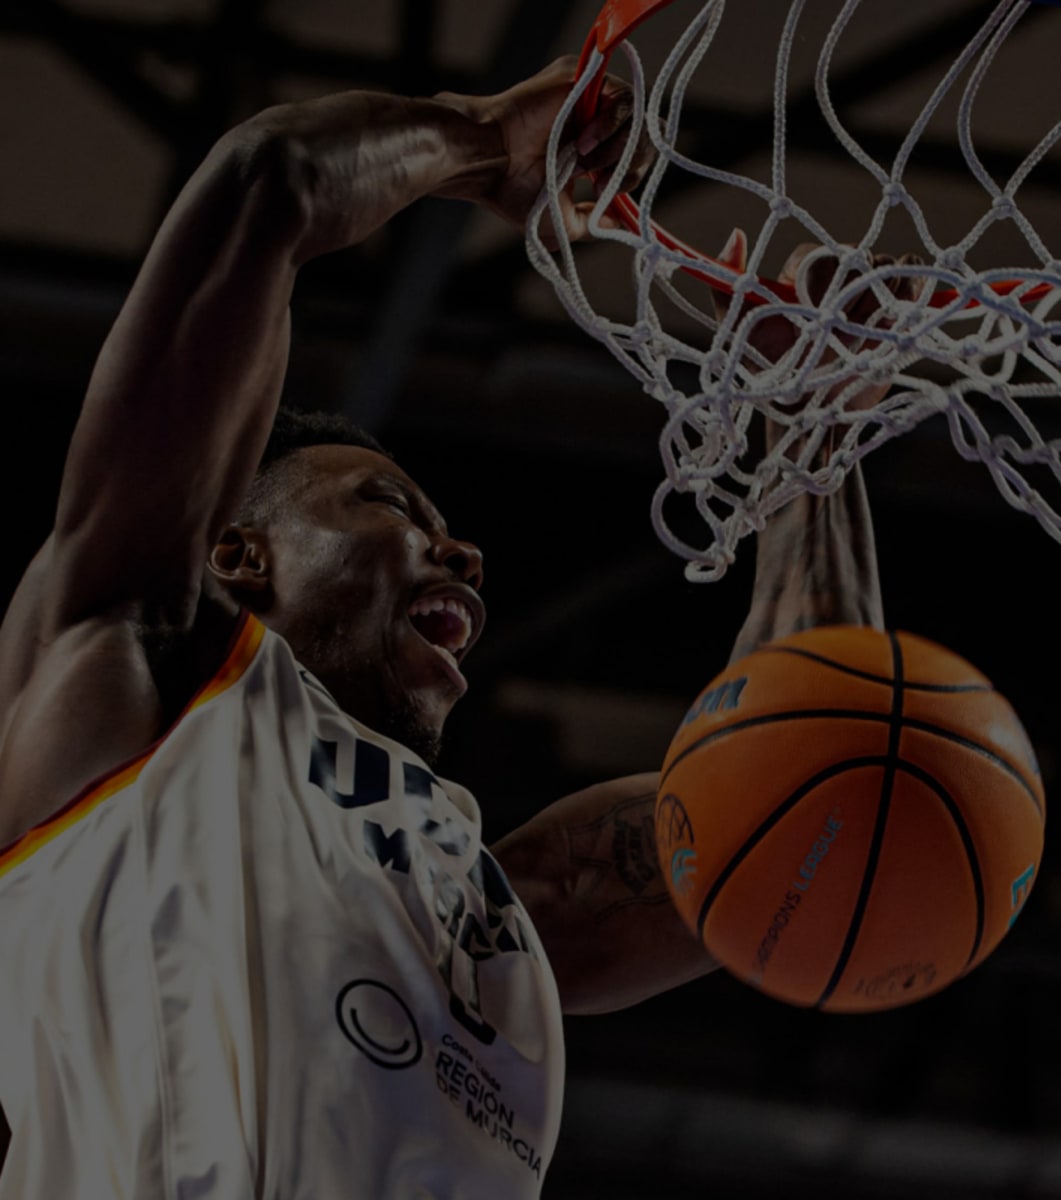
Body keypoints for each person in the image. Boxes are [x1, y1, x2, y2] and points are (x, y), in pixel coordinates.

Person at [0, 58, 891, 1200]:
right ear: (237, 553)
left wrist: (808, 434)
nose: (462, 550)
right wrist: (483, 139)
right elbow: (263, 187)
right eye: (389, 507)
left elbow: (820, 800)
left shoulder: (484, 915)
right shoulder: (125, 681)